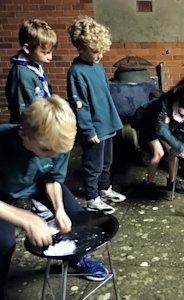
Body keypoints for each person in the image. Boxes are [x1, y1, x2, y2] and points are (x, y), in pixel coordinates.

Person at [0, 96, 109, 299]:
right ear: (23, 133)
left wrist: (58, 209)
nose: (53, 155)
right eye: (45, 149)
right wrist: (27, 218)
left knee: (75, 215)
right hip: (3, 192)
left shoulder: (56, 143)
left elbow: (52, 179)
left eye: (58, 151)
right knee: (4, 243)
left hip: (38, 182)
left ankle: (75, 258)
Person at [67, 16, 125, 215]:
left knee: (107, 161)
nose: (100, 55)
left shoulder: (97, 66)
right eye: (95, 52)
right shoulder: (76, 72)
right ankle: (92, 198)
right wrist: (88, 130)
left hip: (106, 123)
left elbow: (104, 95)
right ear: (81, 48)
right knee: (94, 164)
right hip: (93, 128)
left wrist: (112, 119)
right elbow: (79, 106)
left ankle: (104, 188)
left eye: (102, 51)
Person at [5, 19, 58, 220]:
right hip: (29, 131)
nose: (50, 57)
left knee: (44, 162)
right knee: (31, 163)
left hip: (42, 125)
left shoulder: (34, 67)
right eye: (45, 52)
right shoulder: (21, 75)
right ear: (27, 48)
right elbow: (24, 112)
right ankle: (35, 201)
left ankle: (42, 196)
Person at [137, 83, 184, 198]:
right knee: (159, 153)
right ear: (180, 104)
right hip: (149, 126)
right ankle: (149, 183)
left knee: (173, 153)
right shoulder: (161, 105)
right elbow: (161, 130)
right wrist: (182, 148)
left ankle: (172, 182)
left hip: (166, 127)